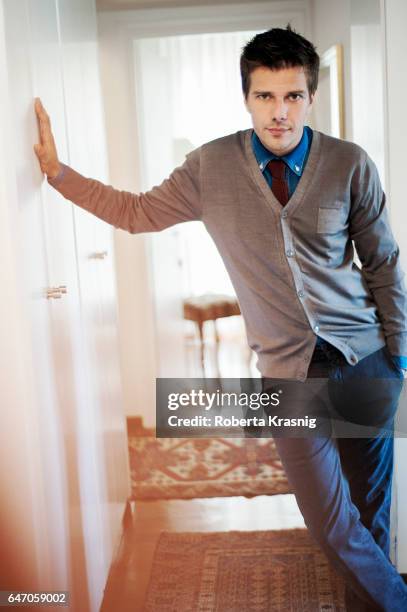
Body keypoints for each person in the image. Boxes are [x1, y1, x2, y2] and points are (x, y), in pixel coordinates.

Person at [34, 24, 407, 611]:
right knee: (333, 524)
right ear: (247, 97)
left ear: (311, 97)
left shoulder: (349, 164)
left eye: (292, 96)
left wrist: (400, 356)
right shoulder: (210, 167)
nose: (279, 112)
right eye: (265, 96)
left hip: (367, 363)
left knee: (370, 511)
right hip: (286, 375)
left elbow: (383, 261)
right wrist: (59, 175)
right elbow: (135, 213)